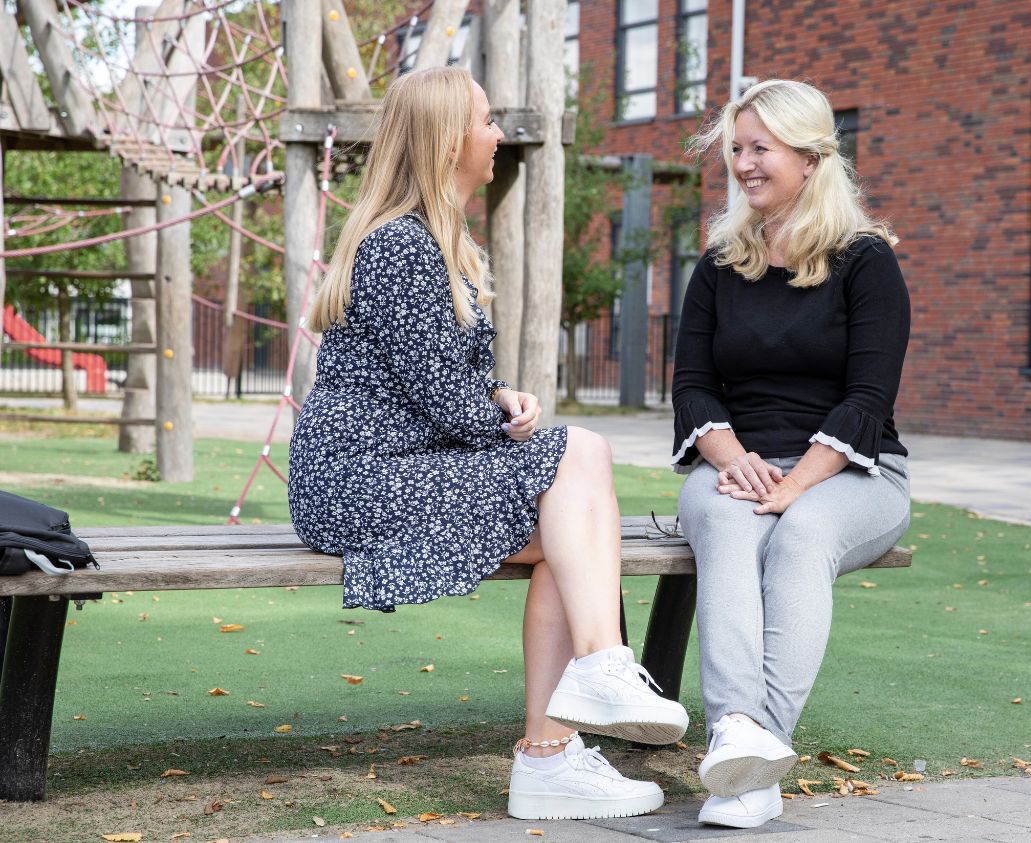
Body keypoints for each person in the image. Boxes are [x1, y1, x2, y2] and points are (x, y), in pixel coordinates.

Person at [288, 67, 687, 822]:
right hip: (359, 477)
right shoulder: (401, 247)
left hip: (400, 462)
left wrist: (501, 393)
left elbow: (444, 380)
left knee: (563, 528)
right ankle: (599, 674)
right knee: (579, 452)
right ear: (445, 144)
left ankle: (550, 753)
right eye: (485, 120)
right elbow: (444, 401)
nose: (497, 133)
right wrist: (496, 414)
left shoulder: (441, 240)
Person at [671, 79, 912, 829]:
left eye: (758, 148)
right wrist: (733, 458)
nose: (742, 164)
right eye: (735, 149)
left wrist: (796, 482)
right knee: (726, 523)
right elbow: (691, 385)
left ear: (809, 158)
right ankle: (742, 748)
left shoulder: (866, 261)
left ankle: (752, 750)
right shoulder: (719, 263)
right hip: (737, 461)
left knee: (802, 533)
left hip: (854, 470)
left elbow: (867, 399)